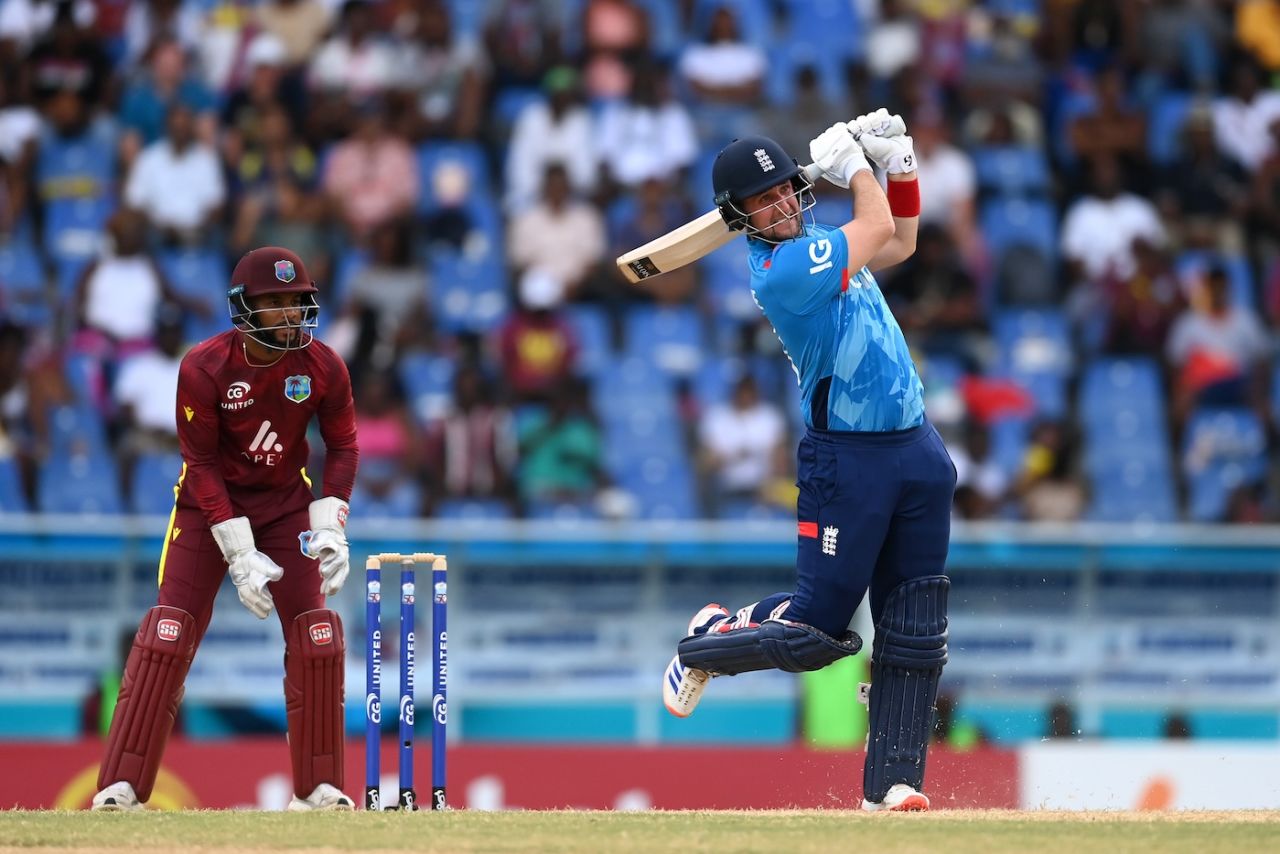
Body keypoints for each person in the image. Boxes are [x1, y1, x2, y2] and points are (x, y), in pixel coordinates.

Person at [662, 110, 956, 813]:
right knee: (818, 633)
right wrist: (857, 165)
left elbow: (903, 239)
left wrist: (901, 167)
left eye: (787, 191)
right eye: (762, 202)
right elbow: (879, 228)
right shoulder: (782, 271)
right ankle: (705, 641)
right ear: (739, 218)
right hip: (846, 462)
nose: (781, 206)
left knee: (915, 623)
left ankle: (890, 785)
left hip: (916, 449)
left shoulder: (825, 239)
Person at [91, 247, 359, 812]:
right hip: (206, 509)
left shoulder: (324, 366)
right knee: (168, 632)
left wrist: (331, 522)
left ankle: (317, 790)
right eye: (276, 303)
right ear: (244, 309)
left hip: (288, 506)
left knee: (316, 633)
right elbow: (202, 464)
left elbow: (343, 445)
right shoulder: (204, 366)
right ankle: (122, 788)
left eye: (297, 302)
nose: (290, 314)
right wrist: (238, 550)